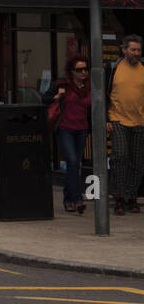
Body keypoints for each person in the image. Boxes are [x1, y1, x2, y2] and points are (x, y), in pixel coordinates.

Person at [108, 34, 144, 215]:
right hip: (118, 119)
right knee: (120, 156)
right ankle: (119, 196)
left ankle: (132, 195)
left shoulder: (143, 68)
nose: (136, 53)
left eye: (138, 50)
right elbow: (104, 94)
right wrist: (106, 119)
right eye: (133, 50)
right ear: (124, 50)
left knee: (137, 162)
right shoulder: (114, 68)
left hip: (140, 121)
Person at [52, 54, 91, 213]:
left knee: (75, 165)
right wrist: (57, 96)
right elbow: (44, 99)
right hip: (65, 128)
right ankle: (77, 199)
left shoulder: (89, 86)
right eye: (79, 69)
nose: (83, 72)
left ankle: (68, 198)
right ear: (71, 71)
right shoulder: (63, 84)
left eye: (85, 69)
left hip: (82, 128)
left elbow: (94, 106)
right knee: (73, 161)